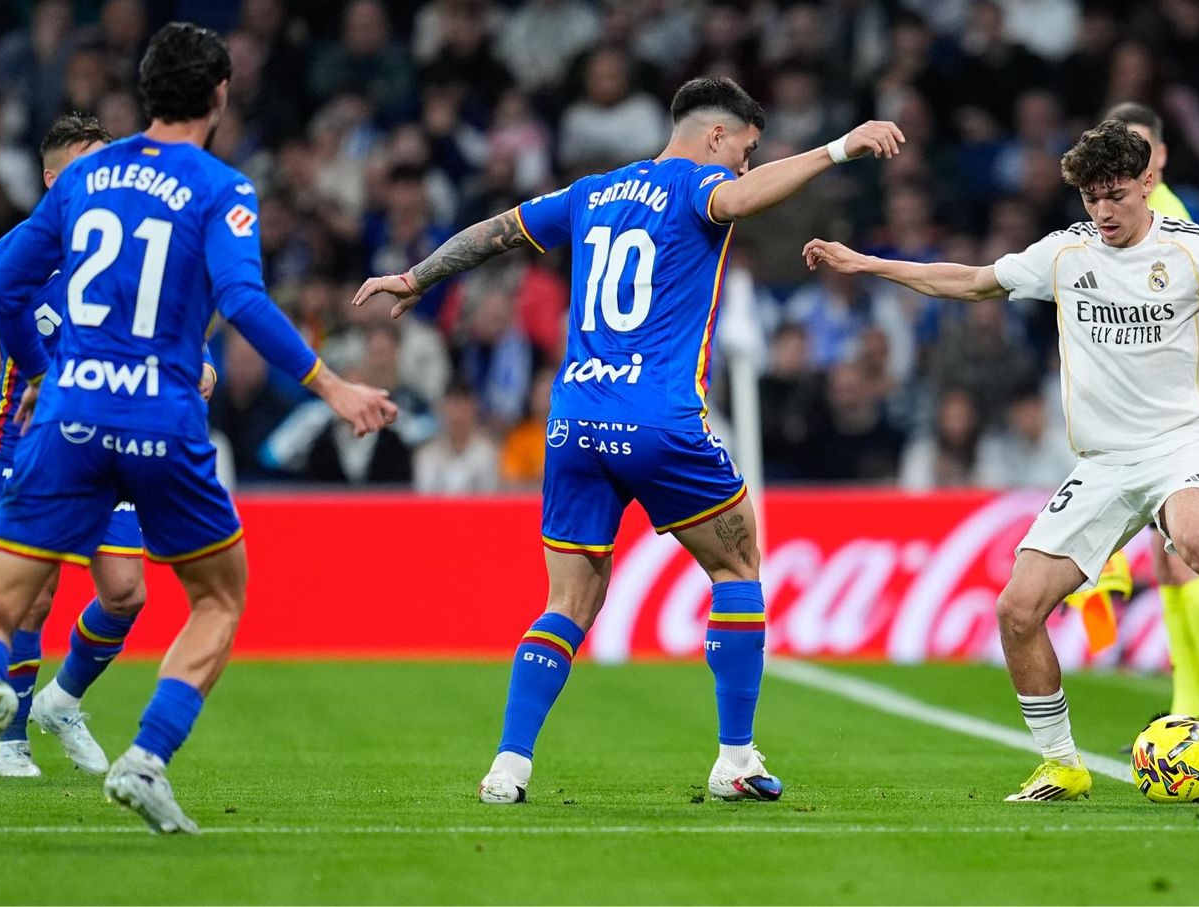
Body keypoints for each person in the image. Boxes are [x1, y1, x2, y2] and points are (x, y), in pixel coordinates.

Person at [355, 77, 903, 805]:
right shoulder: (698, 186)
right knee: (738, 564)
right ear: (715, 136)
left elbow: (495, 232)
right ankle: (735, 758)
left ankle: (508, 768)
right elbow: (741, 198)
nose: (744, 164)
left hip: (575, 419)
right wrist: (839, 148)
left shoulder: (592, 191)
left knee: (567, 600)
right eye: (745, 149)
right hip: (657, 419)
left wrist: (416, 276)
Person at [0, 23, 397, 832]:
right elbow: (244, 300)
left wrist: (45, 370)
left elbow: (5, 289)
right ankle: (147, 755)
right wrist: (331, 384)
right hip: (162, 423)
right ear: (219, 95)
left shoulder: (83, 180)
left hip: (69, 420)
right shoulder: (223, 187)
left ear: (145, 92)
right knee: (219, 596)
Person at [803, 119, 1199, 802]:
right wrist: (869, 263)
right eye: (1091, 198)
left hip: (1182, 440)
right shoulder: (1065, 254)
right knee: (1016, 609)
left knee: (1194, 539)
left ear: (1146, 183)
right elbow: (969, 280)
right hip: (1103, 462)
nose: (1103, 210)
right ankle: (1062, 763)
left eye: (1115, 194)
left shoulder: (1197, 251)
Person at [0, 113, 203, 781]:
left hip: (109, 434)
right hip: (27, 439)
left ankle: (62, 702)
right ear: (55, 179)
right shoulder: (12, 253)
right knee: (35, 592)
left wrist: (193, 364)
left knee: (126, 593)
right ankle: (12, 738)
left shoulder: (130, 245)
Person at [1105, 101, 1199, 755]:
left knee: (1193, 555)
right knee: (1170, 566)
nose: (1132, 163)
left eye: (1141, 149)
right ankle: (1190, 706)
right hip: (1157, 413)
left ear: (1161, 156)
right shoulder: (1128, 217)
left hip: (1193, 411)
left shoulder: (1165, 219)